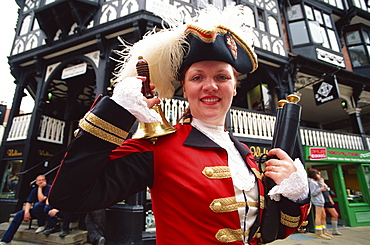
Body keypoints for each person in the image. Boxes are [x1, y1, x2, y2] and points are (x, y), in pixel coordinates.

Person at [49, 5, 310, 244]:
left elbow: (274, 231)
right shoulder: (158, 147)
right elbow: (70, 197)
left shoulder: (247, 157)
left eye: (222, 76)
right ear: (184, 89)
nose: (210, 86)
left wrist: (295, 192)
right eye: (198, 77)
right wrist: (116, 112)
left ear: (234, 87)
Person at [0, 175, 50, 244]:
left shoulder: (49, 188)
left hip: (47, 211)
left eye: (43, 180)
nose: (41, 181)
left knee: (38, 205)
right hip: (37, 211)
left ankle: (41, 225)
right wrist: (26, 212)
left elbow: (41, 199)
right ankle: (6, 240)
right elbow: (28, 202)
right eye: (39, 180)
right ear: (36, 182)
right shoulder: (34, 190)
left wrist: (40, 188)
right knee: (19, 214)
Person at [308, 169, 331, 240]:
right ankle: (319, 233)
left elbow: (326, 188)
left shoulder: (317, 181)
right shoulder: (311, 182)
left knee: (323, 216)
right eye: (318, 174)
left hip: (321, 200)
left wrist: (322, 181)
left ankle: (324, 230)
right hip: (317, 201)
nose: (319, 175)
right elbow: (313, 193)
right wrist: (321, 189)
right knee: (318, 216)